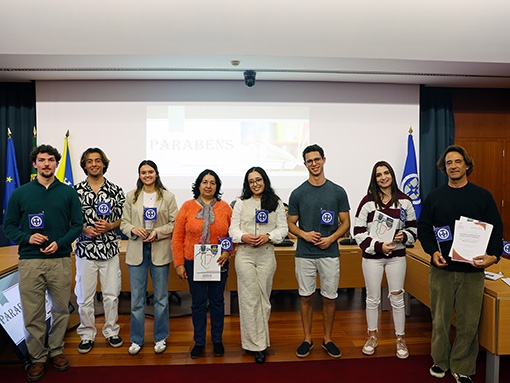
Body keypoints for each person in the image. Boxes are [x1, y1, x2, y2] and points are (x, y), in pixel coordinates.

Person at [418, 145, 503, 383]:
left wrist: (493, 256)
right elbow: (424, 229)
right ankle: (440, 361)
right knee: (440, 321)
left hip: (472, 272)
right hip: (442, 270)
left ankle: (462, 366)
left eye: (457, 162)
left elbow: (496, 230)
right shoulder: (435, 196)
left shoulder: (483, 196)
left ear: (467, 165)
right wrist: (433, 252)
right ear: (443, 168)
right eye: (448, 163)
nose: (453, 166)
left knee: (468, 323)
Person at [3, 144, 83, 382]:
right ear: (34, 164)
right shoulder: (20, 193)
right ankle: (37, 357)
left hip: (59, 260)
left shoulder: (68, 193)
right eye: (42, 160)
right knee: (33, 313)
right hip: (30, 262)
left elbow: (77, 225)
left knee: (60, 309)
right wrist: (27, 237)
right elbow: (8, 226)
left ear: (56, 164)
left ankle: (56, 351)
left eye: (51, 160)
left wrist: (60, 243)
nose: (46, 163)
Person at [287, 144, 350, 359]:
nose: (314, 164)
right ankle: (307, 339)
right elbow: (291, 224)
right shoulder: (298, 193)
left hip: (330, 253)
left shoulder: (338, 191)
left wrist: (331, 238)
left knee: (329, 298)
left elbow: (345, 223)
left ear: (324, 160)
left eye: (317, 159)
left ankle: (327, 339)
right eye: (309, 161)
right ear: (305, 164)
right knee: (305, 298)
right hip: (305, 253)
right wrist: (304, 235)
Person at [353, 161, 417, 359]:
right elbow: (358, 232)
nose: (383, 177)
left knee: (397, 298)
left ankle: (400, 338)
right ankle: (372, 336)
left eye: (386, 173)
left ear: (391, 175)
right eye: (379, 174)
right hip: (373, 258)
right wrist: (379, 246)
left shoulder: (405, 201)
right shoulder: (367, 202)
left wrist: (403, 236)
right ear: (375, 178)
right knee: (373, 298)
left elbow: (414, 229)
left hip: (397, 258)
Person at [229, 167, 288, 364]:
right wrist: (243, 236)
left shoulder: (276, 202)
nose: (255, 183)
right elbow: (233, 230)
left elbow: (283, 229)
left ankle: (257, 342)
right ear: (247, 184)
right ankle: (257, 346)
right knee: (249, 299)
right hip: (245, 254)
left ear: (265, 180)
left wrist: (268, 236)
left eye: (259, 179)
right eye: (251, 181)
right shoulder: (240, 203)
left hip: (266, 254)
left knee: (264, 299)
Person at [172, 169, 232, 359]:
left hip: (218, 261)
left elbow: (232, 235)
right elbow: (177, 237)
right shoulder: (187, 207)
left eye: (212, 183)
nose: (208, 186)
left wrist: (227, 251)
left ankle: (217, 340)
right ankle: (199, 341)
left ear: (217, 186)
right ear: (198, 185)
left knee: (216, 302)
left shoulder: (225, 208)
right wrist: (179, 263)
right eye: (205, 182)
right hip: (192, 261)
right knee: (198, 303)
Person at [120, 160, 178, 355]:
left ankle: (160, 337)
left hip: (159, 250)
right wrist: (133, 229)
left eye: (150, 172)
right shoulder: (131, 196)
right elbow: (123, 224)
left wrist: (158, 233)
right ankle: (136, 339)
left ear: (156, 173)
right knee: (137, 299)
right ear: (139, 175)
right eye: (143, 172)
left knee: (161, 298)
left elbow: (173, 223)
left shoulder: (168, 197)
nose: (147, 175)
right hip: (137, 250)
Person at [73, 148, 125, 354]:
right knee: (84, 296)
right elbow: (70, 219)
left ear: (104, 164)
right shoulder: (74, 191)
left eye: (97, 161)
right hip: (85, 251)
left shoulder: (116, 190)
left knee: (111, 295)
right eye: (89, 161)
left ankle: (111, 331)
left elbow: (125, 218)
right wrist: (83, 229)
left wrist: (111, 226)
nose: (94, 164)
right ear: (84, 165)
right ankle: (86, 334)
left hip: (110, 250)